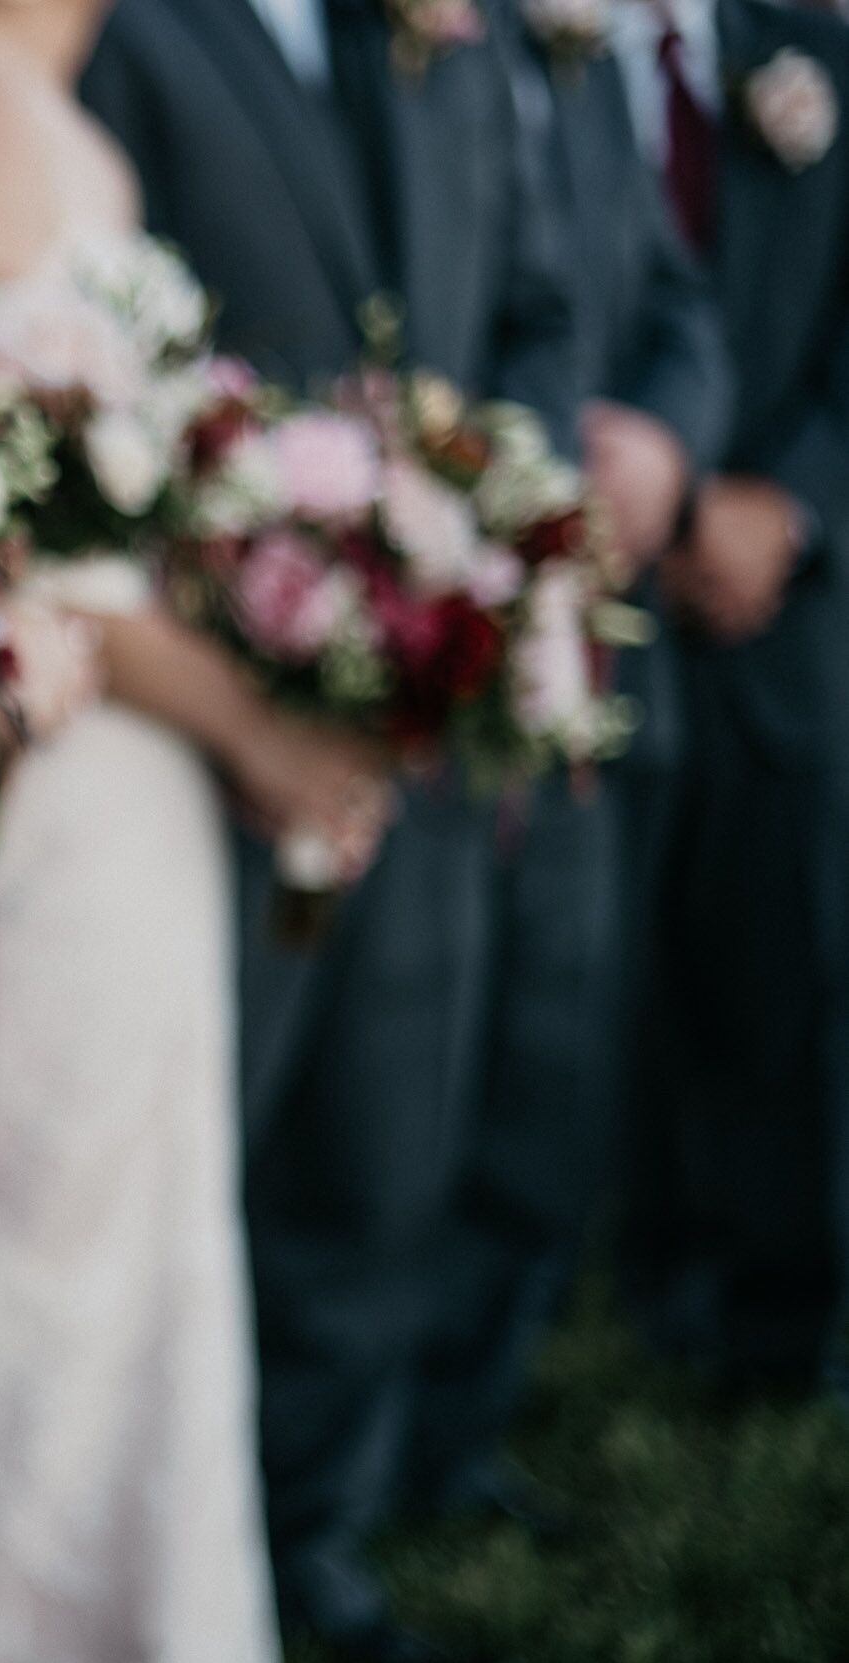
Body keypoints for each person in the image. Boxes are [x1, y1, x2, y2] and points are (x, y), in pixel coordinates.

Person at [0, 1, 401, 1663]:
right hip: (52, 771)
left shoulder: (74, 130)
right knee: (43, 1256)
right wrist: (249, 714)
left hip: (134, 774)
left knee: (141, 1244)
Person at [81, 1, 579, 1660]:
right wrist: (233, 663)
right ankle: (184, 1528)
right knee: (213, 1137)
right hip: (189, 710)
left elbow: (516, 306)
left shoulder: (448, 36)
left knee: (388, 1131)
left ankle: (319, 1528)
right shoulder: (122, 30)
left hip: (416, 701)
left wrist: (486, 547)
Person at [405, 0, 733, 1530]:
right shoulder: (402, 55)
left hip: (592, 648)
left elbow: (678, 308)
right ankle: (350, 1449)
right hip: (429, 631)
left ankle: (466, 1426)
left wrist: (663, 446)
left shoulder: (592, 86)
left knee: (552, 1049)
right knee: (412, 1070)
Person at [617, 0, 849, 1405]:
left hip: (789, 594)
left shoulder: (814, 60)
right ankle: (640, 1269)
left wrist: (787, 510)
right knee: (602, 957)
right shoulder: (527, 55)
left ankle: (784, 1310)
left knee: (790, 950)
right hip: (601, 569)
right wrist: (665, 510)